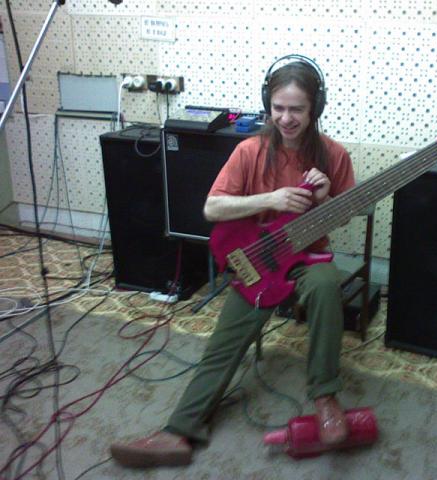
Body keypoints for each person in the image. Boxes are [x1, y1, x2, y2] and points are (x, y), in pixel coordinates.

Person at [110, 56, 356, 468]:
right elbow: (212, 208)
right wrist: (271, 199)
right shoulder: (249, 150)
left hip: (307, 255)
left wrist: (325, 197)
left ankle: (325, 396)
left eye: (297, 109)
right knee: (225, 340)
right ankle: (178, 432)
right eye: (278, 107)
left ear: (315, 108)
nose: (286, 118)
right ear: (267, 104)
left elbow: (344, 216)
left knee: (326, 284)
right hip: (259, 260)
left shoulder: (334, 154)